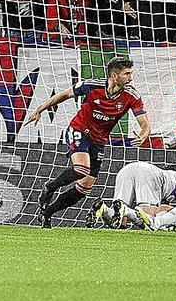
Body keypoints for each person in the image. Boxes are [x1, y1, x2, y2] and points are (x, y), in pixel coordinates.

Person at [25, 56, 150, 229]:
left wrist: (144, 133)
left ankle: (48, 213)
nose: (130, 78)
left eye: (131, 73)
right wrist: (40, 109)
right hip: (80, 129)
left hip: (99, 141)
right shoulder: (92, 85)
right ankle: (50, 187)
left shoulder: (131, 95)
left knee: (84, 188)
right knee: (81, 168)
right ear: (114, 76)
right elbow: (64, 95)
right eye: (126, 74)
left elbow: (144, 123)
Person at [88, 161, 176, 228]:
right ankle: (126, 211)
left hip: (126, 169)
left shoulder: (164, 180)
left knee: (119, 222)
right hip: (147, 172)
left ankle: (103, 208)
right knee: (149, 218)